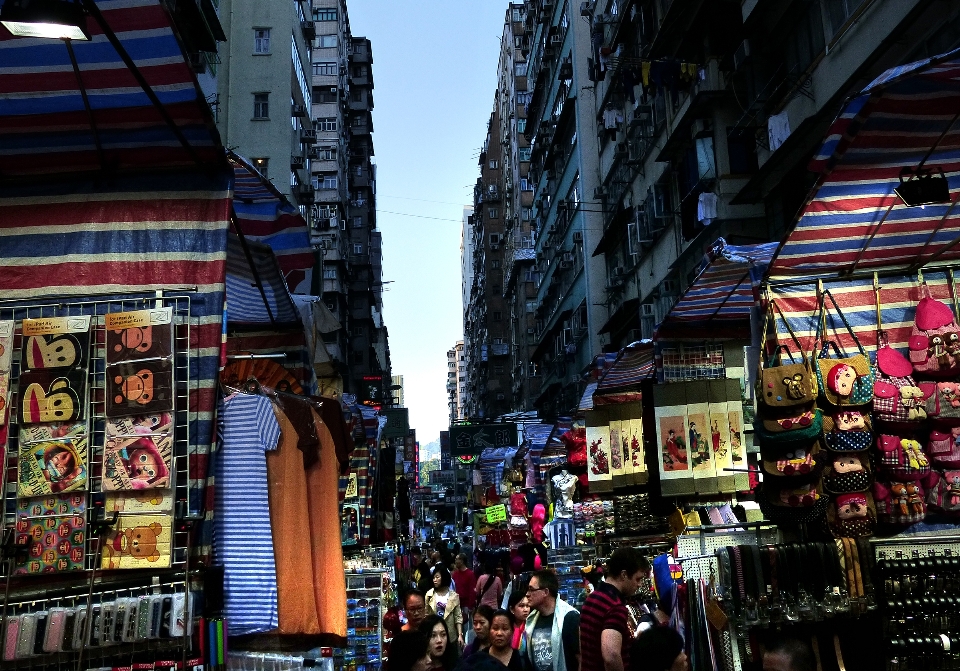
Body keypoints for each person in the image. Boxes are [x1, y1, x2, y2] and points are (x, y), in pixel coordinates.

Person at [580, 548, 649, 671]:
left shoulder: (592, 598)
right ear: (623, 575)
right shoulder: (615, 606)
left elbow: (584, 647)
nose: (639, 585)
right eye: (637, 579)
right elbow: (611, 656)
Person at [524, 570, 580, 671]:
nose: (527, 594)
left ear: (545, 592)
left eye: (531, 589)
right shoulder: (531, 620)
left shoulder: (569, 617)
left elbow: (580, 658)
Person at [427, 565, 464, 647]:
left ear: (443, 578)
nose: (434, 580)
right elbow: (426, 615)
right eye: (433, 578)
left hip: (451, 636)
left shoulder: (454, 596)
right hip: (434, 635)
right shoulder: (429, 595)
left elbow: (458, 617)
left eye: (437, 577)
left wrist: (460, 635)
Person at [453, 553, 477, 620]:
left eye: (456, 559)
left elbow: (472, 591)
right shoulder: (455, 574)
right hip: (457, 604)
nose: (455, 561)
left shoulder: (470, 574)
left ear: (462, 561)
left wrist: (470, 606)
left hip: (466, 605)